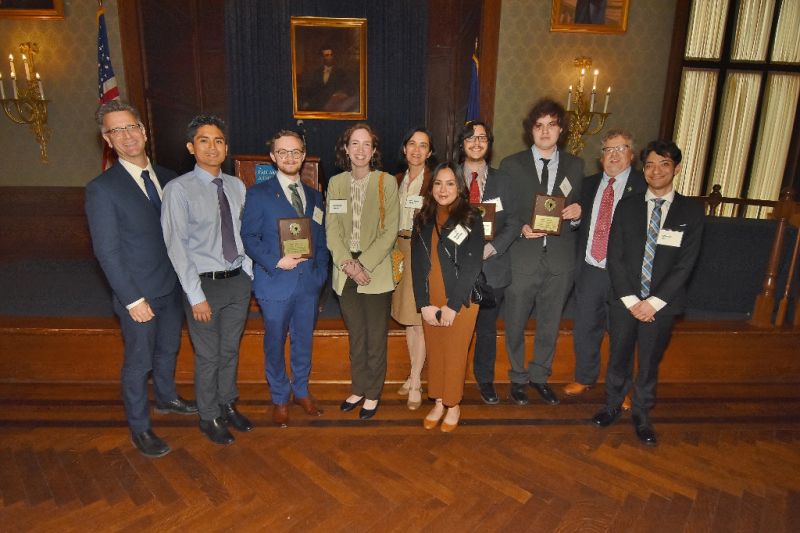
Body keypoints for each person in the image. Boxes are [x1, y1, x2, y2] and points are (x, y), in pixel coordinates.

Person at [85, 101, 197, 458]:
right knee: (139, 362)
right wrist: (133, 300)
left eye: (131, 127)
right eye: (116, 131)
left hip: (172, 285)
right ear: (107, 139)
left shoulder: (169, 177)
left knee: (168, 349)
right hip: (139, 295)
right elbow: (108, 253)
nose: (127, 136)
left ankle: (166, 398)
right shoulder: (102, 189)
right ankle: (140, 428)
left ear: (144, 131)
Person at [592, 140, 704, 446]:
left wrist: (652, 303)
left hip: (662, 305)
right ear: (644, 169)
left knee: (649, 361)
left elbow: (685, 264)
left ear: (676, 169)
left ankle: (641, 413)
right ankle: (612, 404)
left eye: (664, 164)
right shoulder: (627, 206)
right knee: (618, 356)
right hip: (625, 301)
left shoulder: (691, 211)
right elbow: (614, 257)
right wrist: (631, 300)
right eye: (651, 164)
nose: (656, 171)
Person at [161, 115, 253, 445]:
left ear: (226, 148)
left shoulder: (236, 185)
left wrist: (249, 276)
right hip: (203, 285)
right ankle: (208, 415)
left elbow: (243, 234)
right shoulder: (178, 190)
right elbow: (177, 246)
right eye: (204, 140)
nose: (211, 147)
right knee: (209, 355)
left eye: (218, 141)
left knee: (230, 350)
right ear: (191, 147)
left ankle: (227, 405)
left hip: (236, 282)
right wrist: (195, 294)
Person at [241, 130, 329, 428]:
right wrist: (276, 260)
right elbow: (249, 238)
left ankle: (301, 391)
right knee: (275, 343)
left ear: (304, 155)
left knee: (303, 341)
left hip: (308, 285)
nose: (289, 157)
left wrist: (320, 276)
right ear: (273, 156)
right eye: (283, 152)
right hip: (274, 282)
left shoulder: (316, 196)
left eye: (295, 152)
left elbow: (322, 240)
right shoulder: (258, 194)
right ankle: (280, 396)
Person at [499, 98, 583, 406]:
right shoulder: (511, 165)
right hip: (523, 256)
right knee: (516, 323)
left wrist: (578, 215)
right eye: (539, 126)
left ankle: (540, 376)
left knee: (550, 323)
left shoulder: (575, 165)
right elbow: (503, 213)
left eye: (551, 125)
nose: (545, 131)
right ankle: (518, 377)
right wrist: (521, 227)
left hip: (560, 261)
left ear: (561, 130)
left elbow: (577, 211)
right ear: (530, 131)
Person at [565, 129, 646, 403]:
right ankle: (584, 378)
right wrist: (575, 218)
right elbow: (578, 223)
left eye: (620, 149)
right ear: (601, 158)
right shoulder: (587, 185)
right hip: (590, 268)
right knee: (586, 326)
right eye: (608, 150)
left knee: (622, 333)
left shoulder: (643, 186)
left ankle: (621, 388)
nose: (613, 155)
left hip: (624, 274)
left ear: (631, 155)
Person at [326, 123, 399, 420]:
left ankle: (372, 393)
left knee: (375, 337)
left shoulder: (386, 182)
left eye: (366, 144)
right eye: (354, 144)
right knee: (356, 335)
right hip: (345, 272)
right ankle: (358, 387)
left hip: (375, 271)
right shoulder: (336, 183)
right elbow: (331, 229)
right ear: (346, 148)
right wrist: (348, 264)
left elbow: (389, 231)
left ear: (374, 150)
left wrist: (363, 265)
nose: (359, 150)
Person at [412, 162, 485, 432]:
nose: (444, 189)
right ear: (431, 188)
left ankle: (453, 404)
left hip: (461, 299)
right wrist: (424, 304)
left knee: (454, 352)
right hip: (431, 299)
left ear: (460, 187)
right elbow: (417, 266)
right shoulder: (422, 218)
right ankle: (439, 401)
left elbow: (472, 265)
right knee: (437, 351)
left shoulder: (471, 217)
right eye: (438, 183)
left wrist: (453, 306)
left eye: (450, 183)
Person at [456, 121, 518, 405]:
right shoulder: (449, 176)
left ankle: (485, 380)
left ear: (489, 144)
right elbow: (438, 219)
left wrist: (491, 248)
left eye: (482, 138)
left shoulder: (504, 180)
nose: (476, 142)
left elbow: (514, 222)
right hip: (455, 267)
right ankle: (451, 380)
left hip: (492, 267)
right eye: (470, 137)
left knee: (486, 329)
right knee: (454, 328)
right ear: (462, 143)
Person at [392, 127, 434, 410]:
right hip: (398, 250)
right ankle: (412, 373)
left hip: (423, 251)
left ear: (429, 152)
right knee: (408, 317)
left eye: (423, 145)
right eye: (412, 144)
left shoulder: (434, 182)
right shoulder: (395, 180)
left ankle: (416, 381)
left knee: (419, 320)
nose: (416, 150)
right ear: (404, 149)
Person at [298, 46, 356, 112]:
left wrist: (344, 94)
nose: (330, 57)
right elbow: (311, 89)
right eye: (327, 55)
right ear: (322, 58)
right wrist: (307, 102)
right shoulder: (317, 72)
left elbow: (351, 88)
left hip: (332, 106)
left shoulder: (340, 72)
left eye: (331, 55)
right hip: (317, 104)